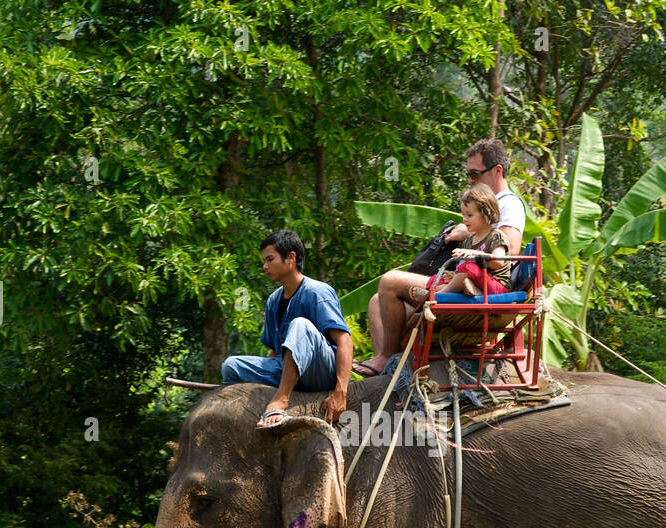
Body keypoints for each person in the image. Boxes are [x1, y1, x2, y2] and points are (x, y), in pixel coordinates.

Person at [355, 137, 526, 377]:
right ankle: (392, 368)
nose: (470, 180)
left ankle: (386, 359)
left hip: (480, 286)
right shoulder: (479, 209)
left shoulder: (507, 205)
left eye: (475, 174)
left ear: (497, 171)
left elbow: (509, 252)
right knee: (376, 303)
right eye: (468, 174)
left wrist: (469, 244)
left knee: (390, 281)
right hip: (461, 277)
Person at [220, 230, 354, 428]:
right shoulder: (273, 300)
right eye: (264, 261)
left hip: (319, 371)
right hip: (288, 370)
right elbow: (275, 351)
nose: (264, 267)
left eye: (269, 259)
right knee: (230, 366)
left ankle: (281, 399)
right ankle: (275, 392)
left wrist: (340, 392)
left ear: (290, 257)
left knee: (300, 325)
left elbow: (345, 341)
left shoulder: (317, 292)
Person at [431, 183, 512, 298]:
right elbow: (462, 268)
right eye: (463, 215)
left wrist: (475, 254)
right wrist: (454, 276)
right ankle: (435, 293)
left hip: (497, 286)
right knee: (436, 278)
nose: (464, 220)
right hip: (475, 281)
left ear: (486, 213)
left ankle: (438, 297)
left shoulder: (496, 235)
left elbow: (498, 262)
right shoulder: (469, 241)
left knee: (469, 267)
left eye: (469, 215)